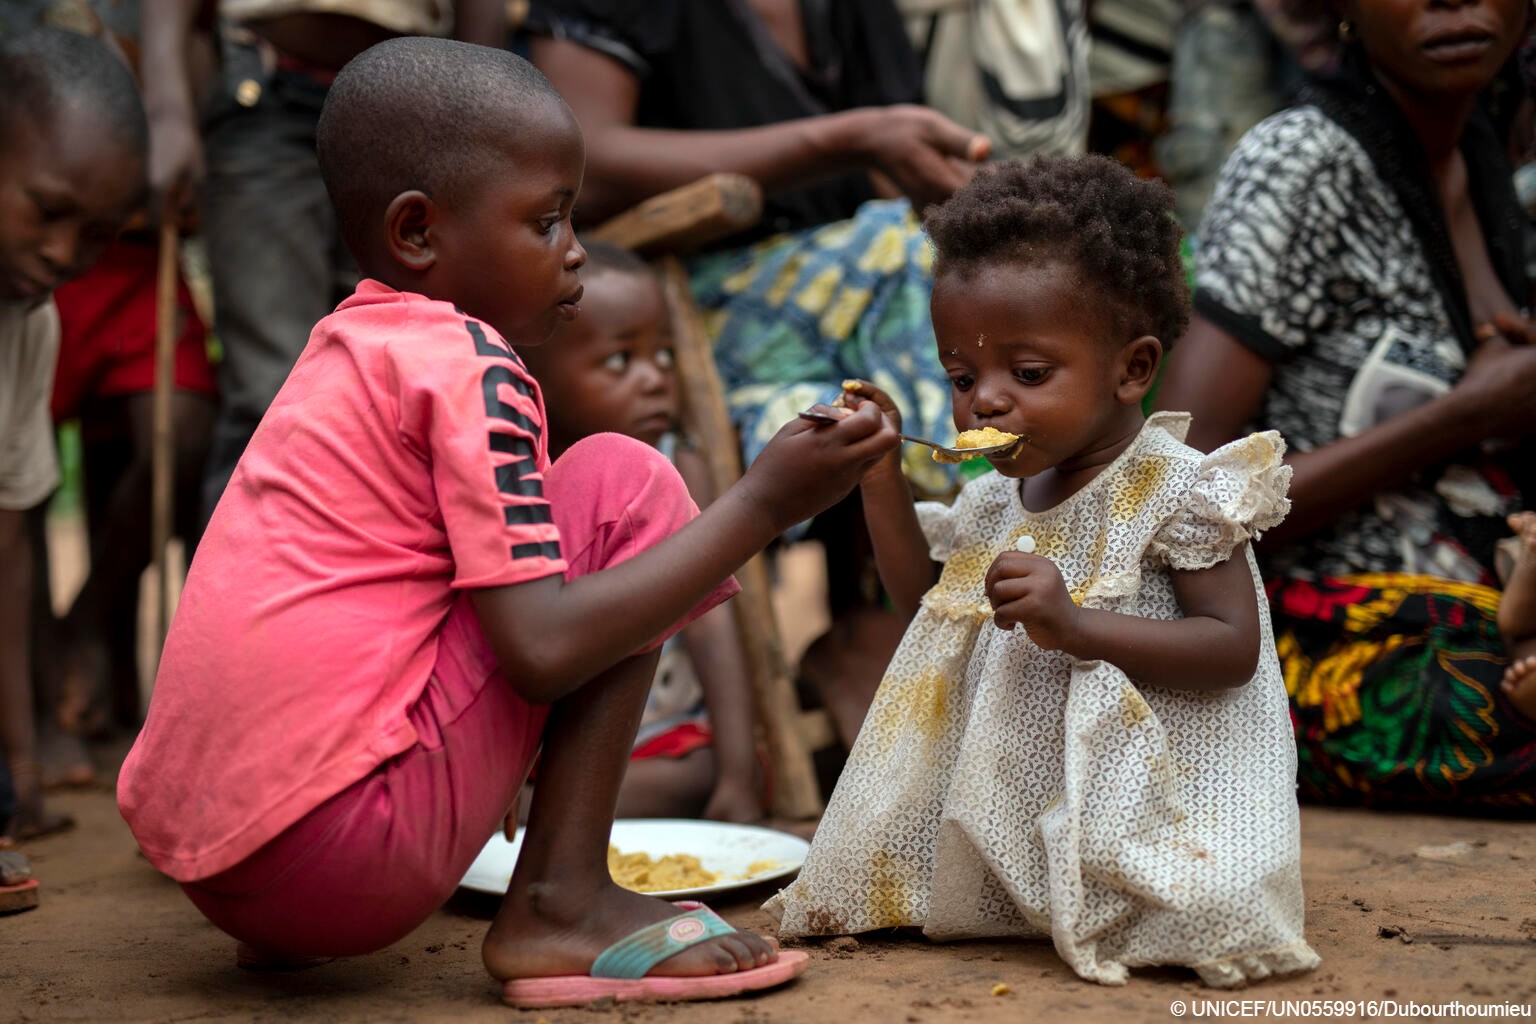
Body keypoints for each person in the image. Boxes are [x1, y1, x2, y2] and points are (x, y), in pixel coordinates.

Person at [117, 39, 898, 1008]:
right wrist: (763, 502)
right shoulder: (470, 365)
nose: (574, 248)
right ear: (418, 234)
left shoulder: (344, 353)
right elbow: (540, 647)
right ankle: (563, 896)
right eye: (547, 218)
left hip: (221, 866)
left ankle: (386, 915)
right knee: (627, 480)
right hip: (340, 855)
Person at [766, 155, 1320, 988]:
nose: (984, 401)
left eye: (1027, 375)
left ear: (1132, 369)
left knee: (1214, 902)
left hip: (1159, 789)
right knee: (921, 877)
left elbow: (1231, 648)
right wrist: (877, 479)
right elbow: (923, 601)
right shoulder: (995, 499)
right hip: (1015, 789)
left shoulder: (1181, 489)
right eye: (962, 377)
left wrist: (1080, 626)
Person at [1155, 0, 1536, 811]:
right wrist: (1463, 415)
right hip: (1318, 631)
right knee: (1461, 703)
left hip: (1495, 603)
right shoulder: (1300, 163)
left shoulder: (1483, 149)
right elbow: (1184, 489)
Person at [139, 0, 509, 522]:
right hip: (265, 92)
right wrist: (167, 110)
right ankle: (243, 597)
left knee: (405, 386)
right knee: (270, 395)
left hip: (418, 114)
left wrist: (484, 129)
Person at [516, 242, 764, 824]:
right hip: (540, 738)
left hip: (661, 734)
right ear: (538, 380)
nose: (655, 380)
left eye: (665, 356)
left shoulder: (683, 466)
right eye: (621, 361)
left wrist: (737, 776)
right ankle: (538, 810)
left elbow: (711, 627)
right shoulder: (520, 478)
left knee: (702, 773)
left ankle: (538, 817)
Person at [0, 28, 149, 844]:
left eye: (96, 236)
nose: (63, 254)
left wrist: (22, 760)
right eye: (49, 212)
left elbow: (9, 541)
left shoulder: (31, 323)